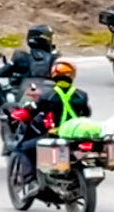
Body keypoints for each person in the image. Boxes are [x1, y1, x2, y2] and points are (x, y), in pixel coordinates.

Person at [10, 60, 92, 197]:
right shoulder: (82, 95)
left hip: (55, 135)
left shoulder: (47, 95)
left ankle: (31, 181)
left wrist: (21, 113)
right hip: (76, 136)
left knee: (22, 148)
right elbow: (87, 113)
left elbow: (33, 112)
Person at [0, 25, 58, 112]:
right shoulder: (56, 58)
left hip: (25, 95)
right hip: (49, 95)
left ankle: (4, 114)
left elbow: (5, 71)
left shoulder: (21, 56)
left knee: (4, 96)